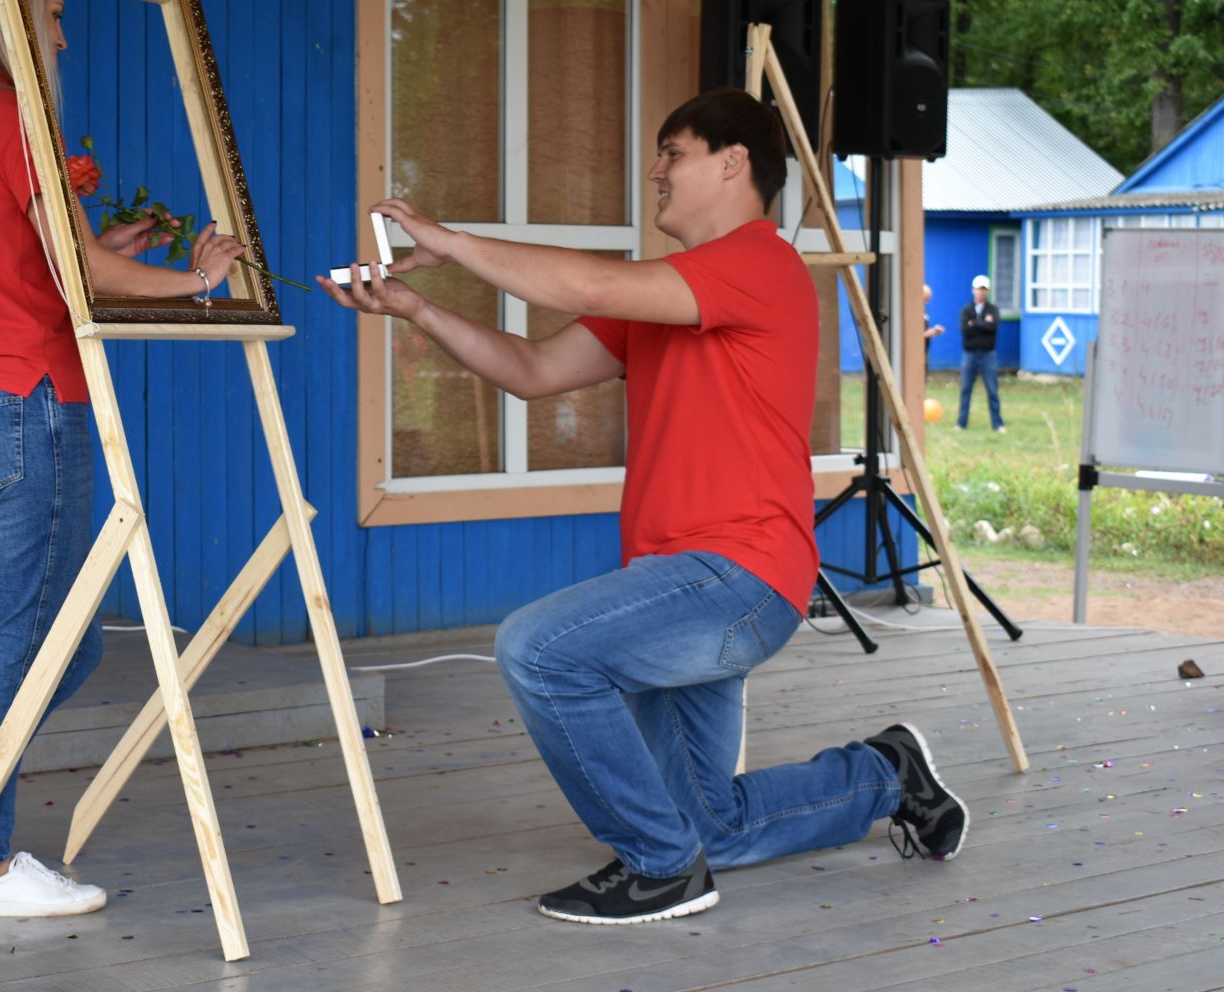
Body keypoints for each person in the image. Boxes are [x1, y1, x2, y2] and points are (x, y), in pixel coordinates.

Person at [321, 87, 967, 926]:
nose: (655, 171)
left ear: (734, 163)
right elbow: (533, 371)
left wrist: (447, 242)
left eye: (675, 152)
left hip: (736, 577)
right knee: (714, 824)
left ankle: (661, 870)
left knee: (540, 649)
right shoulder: (669, 298)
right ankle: (888, 774)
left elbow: (585, 279)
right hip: (679, 581)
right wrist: (417, 307)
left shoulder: (758, 264)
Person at [0, 0, 246, 919]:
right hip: (32, 402)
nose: (62, 31)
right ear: (6, 20)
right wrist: (201, 277)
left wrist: (102, 250)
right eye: (50, 13)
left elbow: (35, 263)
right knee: (26, 640)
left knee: (65, 642)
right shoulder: (14, 115)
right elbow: (83, 280)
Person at [957, 274, 1005, 432]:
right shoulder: (966, 310)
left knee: (992, 389)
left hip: (987, 354)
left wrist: (975, 324)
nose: (981, 292)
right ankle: (961, 423)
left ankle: (997, 423)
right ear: (973, 290)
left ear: (988, 291)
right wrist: (983, 323)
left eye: (984, 289)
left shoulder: (993, 310)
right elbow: (965, 329)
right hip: (969, 354)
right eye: (978, 289)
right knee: (965, 389)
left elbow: (992, 328)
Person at [922, 282, 945, 364]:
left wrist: (933, 332)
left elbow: (924, 331)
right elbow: (915, 335)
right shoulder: (915, 311)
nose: (927, 302)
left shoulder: (924, 310)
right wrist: (931, 332)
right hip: (917, 350)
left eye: (928, 299)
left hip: (924, 349)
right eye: (925, 299)